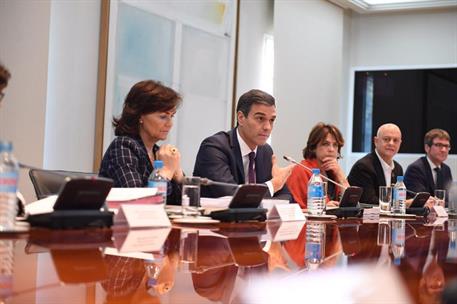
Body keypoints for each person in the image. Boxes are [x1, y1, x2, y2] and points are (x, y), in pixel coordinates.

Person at [193, 89, 294, 201]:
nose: (267, 127)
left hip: (251, 219)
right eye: (260, 118)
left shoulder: (265, 151)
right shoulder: (214, 148)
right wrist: (274, 185)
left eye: (271, 120)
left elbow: (286, 197)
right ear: (241, 118)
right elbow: (230, 197)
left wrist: (274, 188)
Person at [99, 80, 183, 204]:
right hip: (121, 222)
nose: (170, 124)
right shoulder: (123, 147)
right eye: (163, 116)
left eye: (172, 116)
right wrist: (166, 172)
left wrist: (179, 177)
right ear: (140, 116)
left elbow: (181, 204)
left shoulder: (158, 152)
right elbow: (136, 202)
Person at [286, 123, 349, 209]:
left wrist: (341, 177)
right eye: (325, 144)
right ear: (313, 147)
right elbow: (293, 209)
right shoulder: (301, 170)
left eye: (335, 145)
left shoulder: (333, 172)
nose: (331, 149)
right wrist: (324, 208)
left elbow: (350, 205)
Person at [347, 123, 404, 205]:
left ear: (400, 144)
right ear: (376, 141)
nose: (391, 143)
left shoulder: (398, 168)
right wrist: (401, 203)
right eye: (386, 139)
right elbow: (369, 201)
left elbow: (400, 196)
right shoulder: (364, 167)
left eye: (395, 140)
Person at [404, 129, 453, 204]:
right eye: (438, 145)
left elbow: (449, 200)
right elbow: (422, 200)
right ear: (427, 148)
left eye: (446, 146)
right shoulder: (415, 169)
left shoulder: (446, 169)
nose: (443, 149)